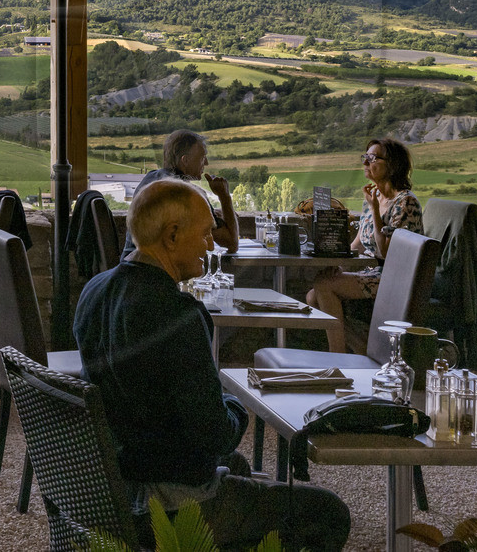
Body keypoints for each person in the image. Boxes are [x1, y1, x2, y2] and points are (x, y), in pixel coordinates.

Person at [75, 179, 351, 552]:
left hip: (115, 488)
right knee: (328, 512)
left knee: (236, 466)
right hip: (173, 506)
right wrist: (238, 405)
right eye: (205, 234)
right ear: (172, 236)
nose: (211, 244)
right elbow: (215, 433)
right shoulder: (178, 314)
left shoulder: (93, 291)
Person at [306, 137, 423, 352]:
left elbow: (386, 251)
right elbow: (358, 244)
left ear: (393, 164)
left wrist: (376, 211)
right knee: (312, 296)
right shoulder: (374, 198)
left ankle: (338, 357)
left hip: (394, 278)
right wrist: (339, 264)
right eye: (365, 157)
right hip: (373, 273)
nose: (365, 163)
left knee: (323, 285)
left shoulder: (406, 202)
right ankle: (365, 349)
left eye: (372, 158)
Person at [124, 129, 239, 253]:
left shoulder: (151, 179)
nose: (206, 162)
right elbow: (231, 243)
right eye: (202, 157)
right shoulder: (185, 193)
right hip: (157, 269)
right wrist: (224, 196)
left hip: (131, 261)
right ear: (185, 161)